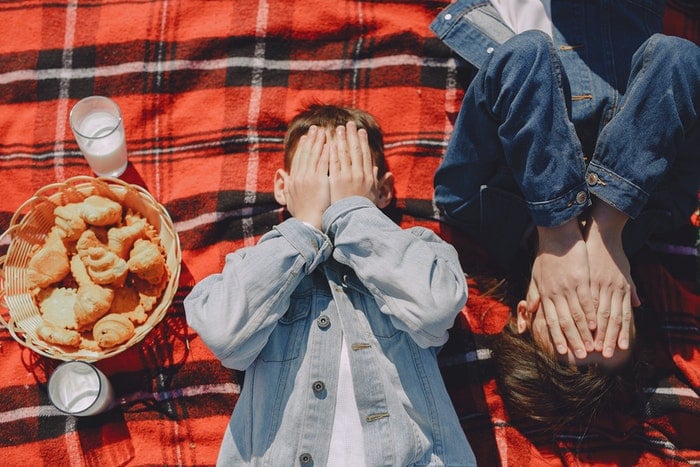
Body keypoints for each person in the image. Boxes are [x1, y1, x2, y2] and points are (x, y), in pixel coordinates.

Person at [184, 104, 476, 466]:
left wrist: (353, 211)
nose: (329, 190)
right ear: (283, 187)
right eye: (316, 176)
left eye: (345, 175)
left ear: (382, 191)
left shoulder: (416, 248)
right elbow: (223, 332)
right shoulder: (256, 264)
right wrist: (305, 224)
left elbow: (436, 308)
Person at [430, 0, 700, 365]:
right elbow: (678, 58)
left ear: (526, 313)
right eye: (612, 318)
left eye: (573, 322)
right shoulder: (663, 212)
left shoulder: (469, 206)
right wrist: (609, 223)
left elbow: (526, 54)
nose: (592, 301)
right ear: (632, 297)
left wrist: (557, 228)